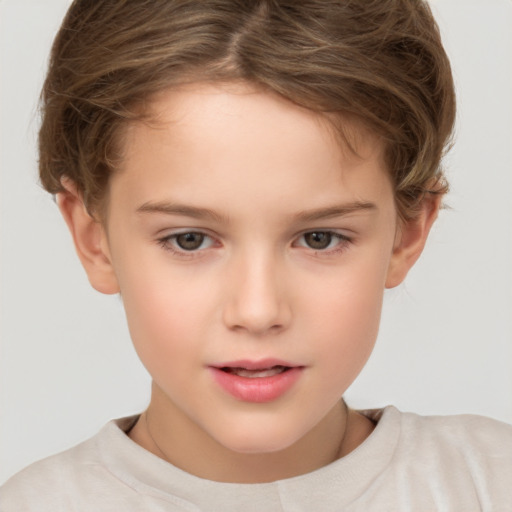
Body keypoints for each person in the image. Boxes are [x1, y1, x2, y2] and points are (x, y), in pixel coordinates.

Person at [1, 0, 511, 510]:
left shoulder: (489, 484)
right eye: (189, 240)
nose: (258, 310)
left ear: (407, 232)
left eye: (320, 238)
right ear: (95, 239)